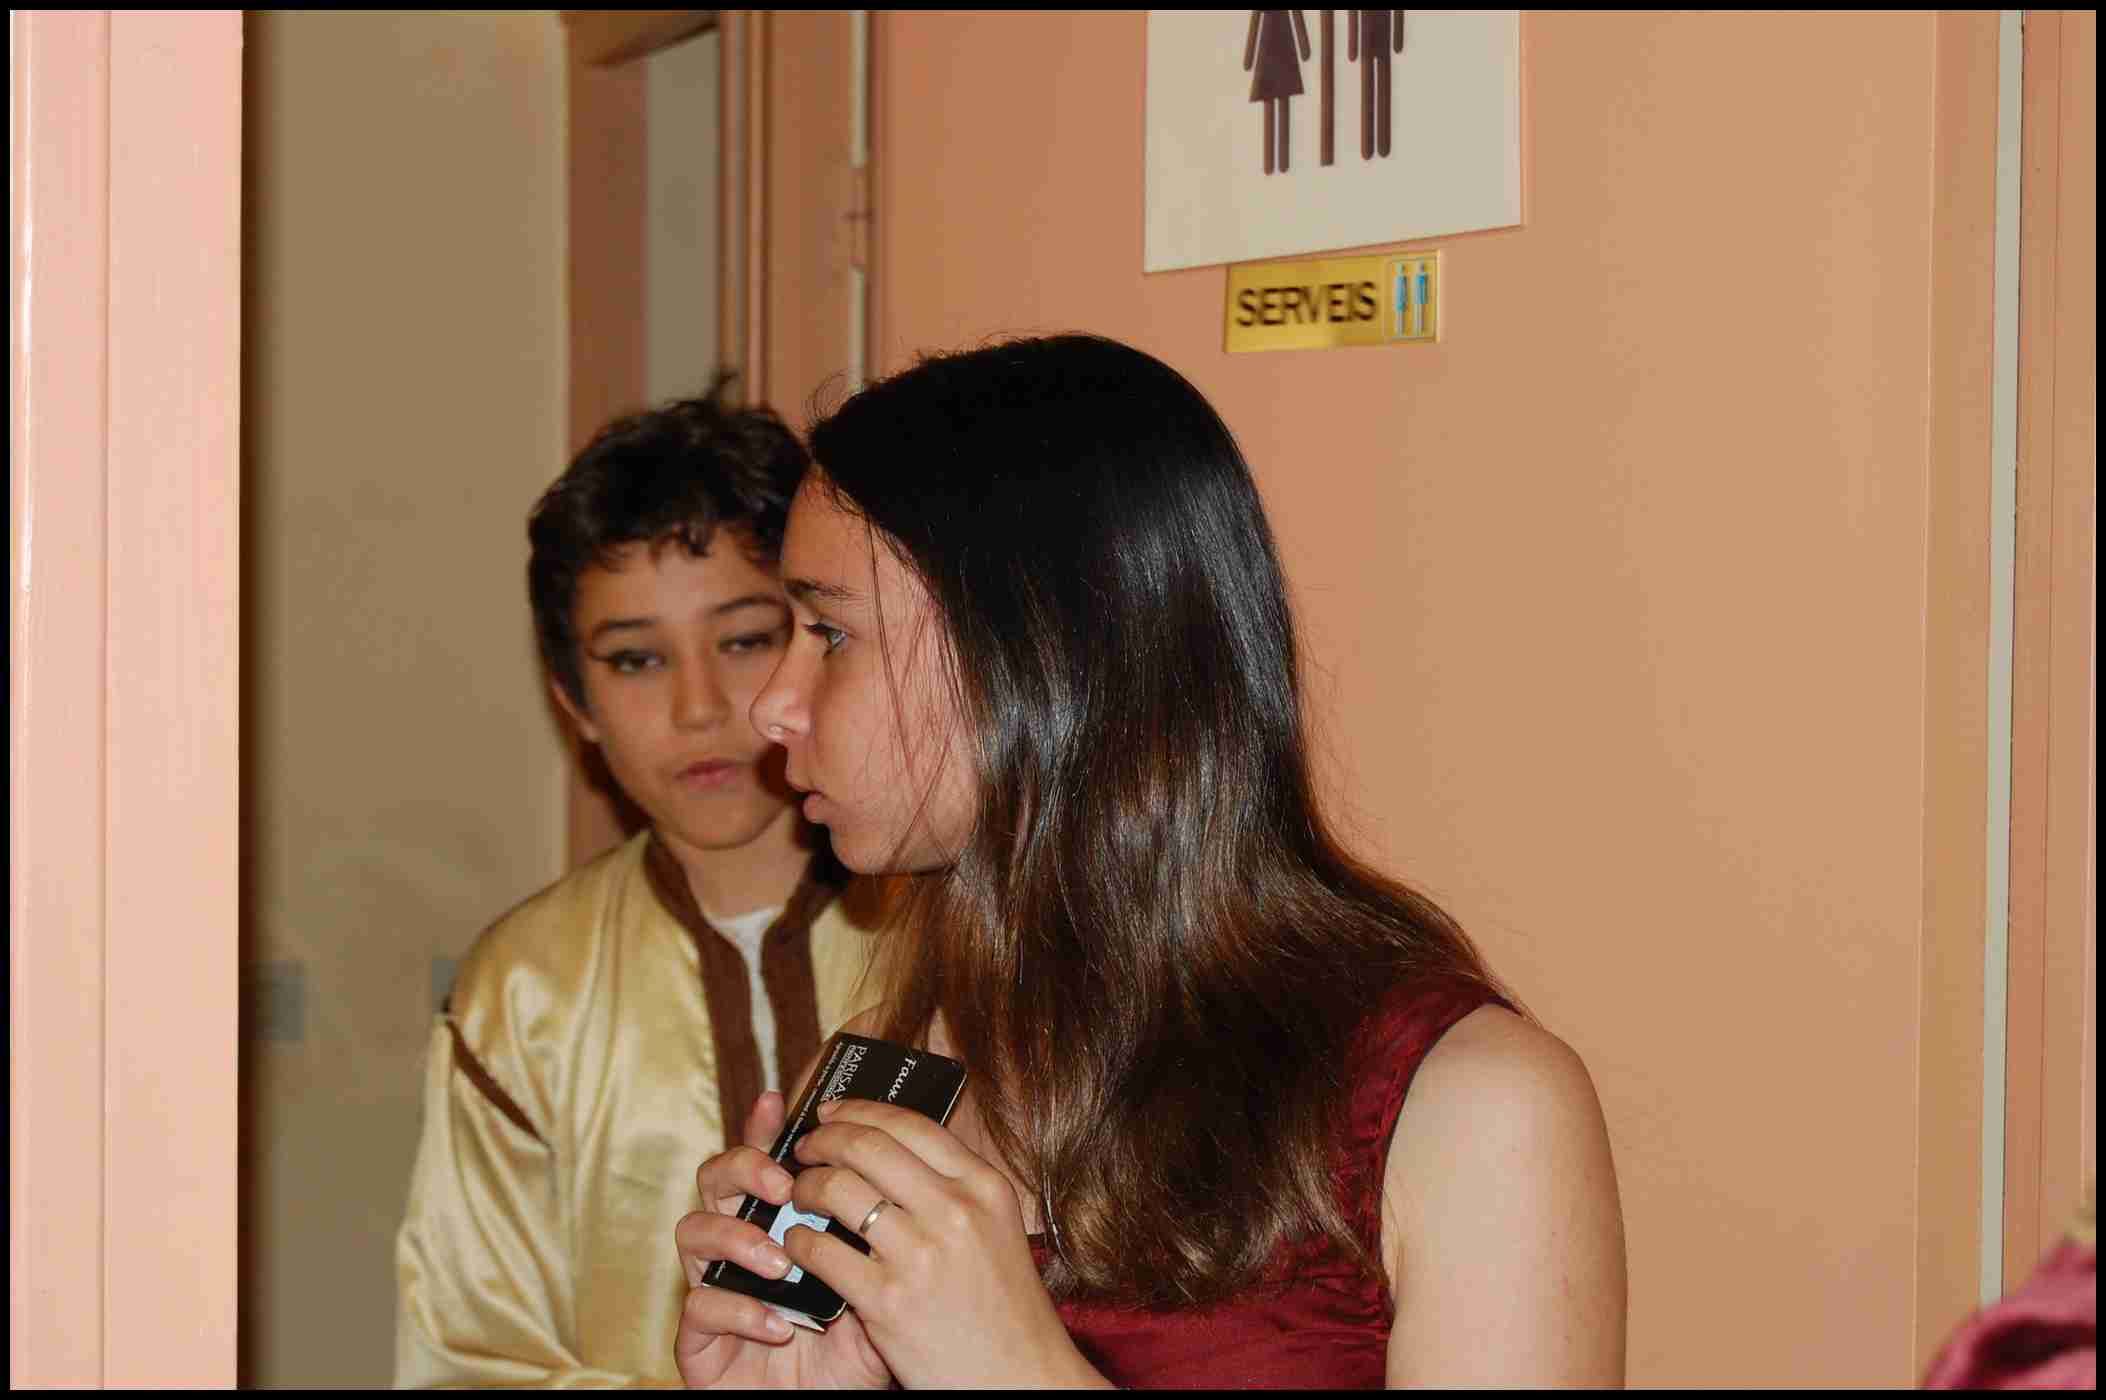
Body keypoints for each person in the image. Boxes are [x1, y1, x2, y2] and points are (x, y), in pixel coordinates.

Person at [669, 334, 1628, 1387]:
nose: (772, 705)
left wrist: (1018, 1372)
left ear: (1039, 646)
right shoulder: (880, 1092)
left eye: (829, 631)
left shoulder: (1472, 1107)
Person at [394, 385, 881, 1387]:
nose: (698, 707)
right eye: (636, 659)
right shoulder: (527, 988)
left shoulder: (964, 942)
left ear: (817, 640)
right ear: (574, 701)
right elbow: (470, 1356)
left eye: (743, 639)